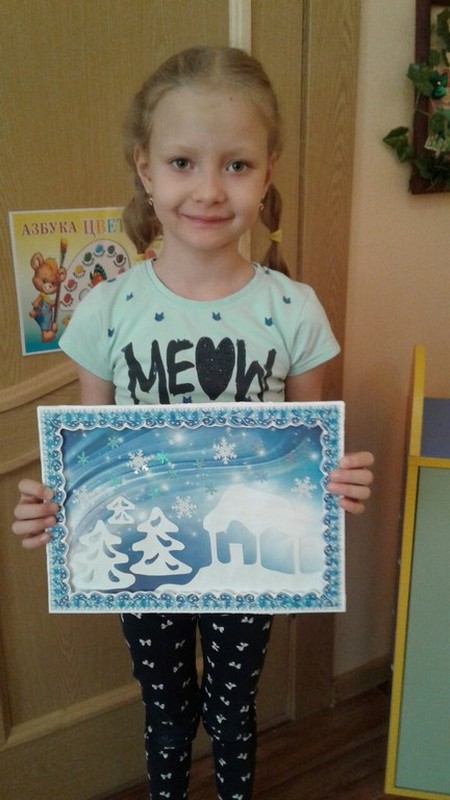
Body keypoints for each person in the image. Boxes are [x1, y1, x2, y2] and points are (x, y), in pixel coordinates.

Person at [12, 46, 374, 800]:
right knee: (168, 713)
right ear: (145, 169)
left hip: (248, 558)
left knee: (233, 713)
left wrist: (335, 484)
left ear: (268, 172)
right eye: (183, 162)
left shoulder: (293, 310)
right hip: (147, 561)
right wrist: (53, 506)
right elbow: (89, 455)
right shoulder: (105, 310)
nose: (209, 189)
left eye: (236, 164)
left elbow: (307, 452)